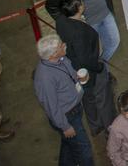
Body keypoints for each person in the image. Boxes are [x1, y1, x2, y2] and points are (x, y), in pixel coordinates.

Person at [56, 0, 116, 135]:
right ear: (79, 9)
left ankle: (95, 126)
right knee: (103, 99)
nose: (83, 3)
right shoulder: (80, 32)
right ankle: (111, 128)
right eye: (81, 2)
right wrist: (99, 67)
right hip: (90, 71)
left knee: (88, 98)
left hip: (75, 70)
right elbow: (85, 59)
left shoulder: (61, 21)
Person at [32, 35, 94, 166]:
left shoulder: (61, 59)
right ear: (53, 54)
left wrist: (80, 80)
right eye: (61, 45)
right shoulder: (45, 78)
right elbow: (51, 106)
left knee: (69, 145)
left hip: (75, 110)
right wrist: (65, 126)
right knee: (84, 151)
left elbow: (70, 75)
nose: (64, 44)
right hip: (67, 117)